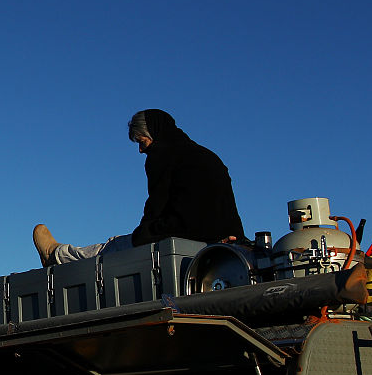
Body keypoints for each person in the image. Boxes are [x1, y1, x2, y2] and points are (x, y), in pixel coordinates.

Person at [34, 109, 244, 266]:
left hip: (180, 235)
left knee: (113, 248)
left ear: (154, 134)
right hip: (227, 238)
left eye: (142, 142)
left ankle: (55, 254)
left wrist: (141, 236)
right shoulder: (208, 156)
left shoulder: (161, 155)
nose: (141, 150)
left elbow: (156, 206)